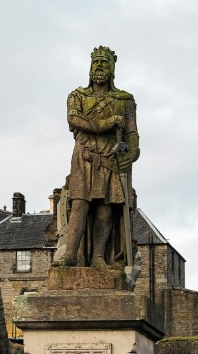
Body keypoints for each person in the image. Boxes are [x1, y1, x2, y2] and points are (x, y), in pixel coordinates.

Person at [53, 46, 140, 269]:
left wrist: (131, 155)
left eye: (104, 63)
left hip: (111, 161)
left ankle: (99, 257)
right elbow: (74, 119)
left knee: (105, 211)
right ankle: (70, 255)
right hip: (84, 158)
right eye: (96, 63)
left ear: (112, 69)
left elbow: (132, 135)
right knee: (80, 205)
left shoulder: (125, 100)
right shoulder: (77, 96)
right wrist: (107, 123)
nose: (99, 67)